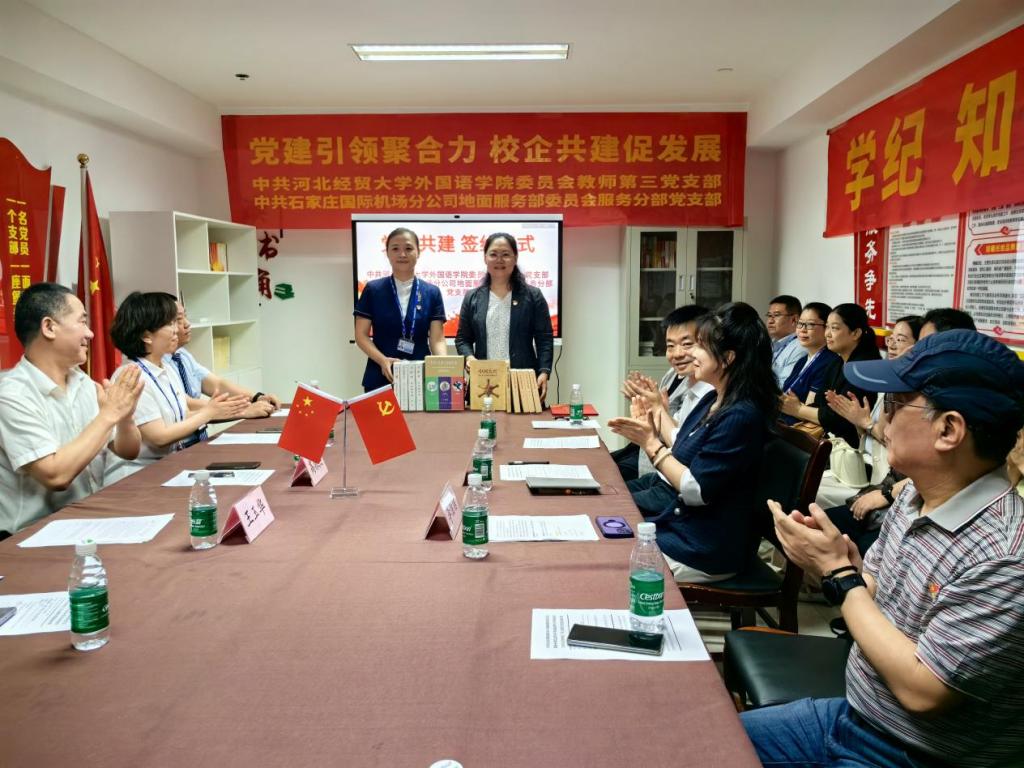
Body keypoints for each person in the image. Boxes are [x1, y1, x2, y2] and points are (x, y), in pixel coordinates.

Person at [743, 329, 1024, 768]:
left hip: (915, 754)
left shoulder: (1005, 555)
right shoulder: (914, 494)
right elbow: (870, 591)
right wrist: (831, 563)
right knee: (701, 742)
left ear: (949, 429)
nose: (881, 420)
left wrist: (840, 576)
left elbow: (922, 690)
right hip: (852, 717)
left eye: (893, 404)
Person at [608, 302, 779, 582]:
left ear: (727, 358)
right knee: (604, 524)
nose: (691, 354)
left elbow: (696, 491)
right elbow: (683, 442)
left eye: (700, 346)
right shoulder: (715, 398)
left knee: (605, 554)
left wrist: (651, 444)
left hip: (703, 547)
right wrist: (656, 412)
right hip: (682, 526)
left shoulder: (741, 415)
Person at [0, 282, 143, 538]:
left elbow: (128, 450)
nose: (91, 333)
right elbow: (56, 475)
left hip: (88, 518)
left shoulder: (83, 383)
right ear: (49, 327)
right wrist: (109, 414)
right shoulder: (12, 394)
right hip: (31, 535)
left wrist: (125, 418)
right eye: (82, 322)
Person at [107, 291, 248, 480]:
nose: (176, 330)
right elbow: (159, 437)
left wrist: (229, 410)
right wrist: (208, 413)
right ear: (147, 336)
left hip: (166, 464)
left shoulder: (165, 368)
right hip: (135, 474)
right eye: (170, 323)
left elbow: (182, 415)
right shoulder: (132, 376)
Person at [820, 315, 923, 553]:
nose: (892, 344)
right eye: (891, 338)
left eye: (901, 339)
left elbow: (886, 437)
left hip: (887, 489)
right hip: (877, 479)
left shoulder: (923, 399)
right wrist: (859, 422)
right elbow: (878, 435)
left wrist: (865, 423)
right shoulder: (888, 382)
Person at [611, 305, 712, 482]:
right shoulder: (674, 374)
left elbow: (682, 445)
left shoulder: (709, 391)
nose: (677, 354)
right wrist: (645, 401)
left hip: (670, 473)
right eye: (670, 346)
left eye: (687, 344)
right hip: (651, 459)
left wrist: (658, 409)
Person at [454, 232, 554, 401]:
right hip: (484, 382)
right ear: (485, 258)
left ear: (515, 258)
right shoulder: (473, 297)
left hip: (522, 381)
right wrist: (469, 358)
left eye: (506, 254)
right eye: (493, 254)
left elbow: (544, 338)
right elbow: (462, 339)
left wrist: (544, 371)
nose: (499, 260)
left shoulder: (533, 296)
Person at [166, 300, 279, 448]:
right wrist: (243, 410)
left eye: (185, 316)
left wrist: (256, 397)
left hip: (198, 438)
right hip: (180, 444)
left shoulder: (182, 355)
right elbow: (185, 406)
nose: (187, 324)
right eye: (177, 320)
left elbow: (216, 384)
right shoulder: (157, 366)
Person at [353, 227, 448, 392]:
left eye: (409, 248)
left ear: (418, 252)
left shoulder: (432, 292)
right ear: (387, 253)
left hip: (421, 376)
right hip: (380, 374)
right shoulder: (373, 290)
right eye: (395, 248)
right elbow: (361, 335)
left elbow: (437, 339)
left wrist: (444, 369)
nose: (402, 254)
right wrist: (382, 360)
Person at [780, 302, 881, 447]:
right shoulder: (837, 362)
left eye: (834, 328)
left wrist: (798, 409)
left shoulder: (864, 368)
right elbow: (821, 403)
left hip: (852, 447)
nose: (827, 333)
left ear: (855, 333)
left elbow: (840, 417)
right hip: (831, 440)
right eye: (827, 326)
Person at [778, 301, 837, 423]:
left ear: (826, 328)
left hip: (797, 428)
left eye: (810, 324)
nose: (803, 330)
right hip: (781, 422)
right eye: (800, 324)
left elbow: (810, 410)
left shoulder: (829, 362)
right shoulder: (802, 361)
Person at [766, 294, 805, 388]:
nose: (770, 321)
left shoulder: (800, 347)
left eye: (776, 315)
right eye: (769, 315)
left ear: (794, 319)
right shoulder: (769, 344)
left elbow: (783, 387)